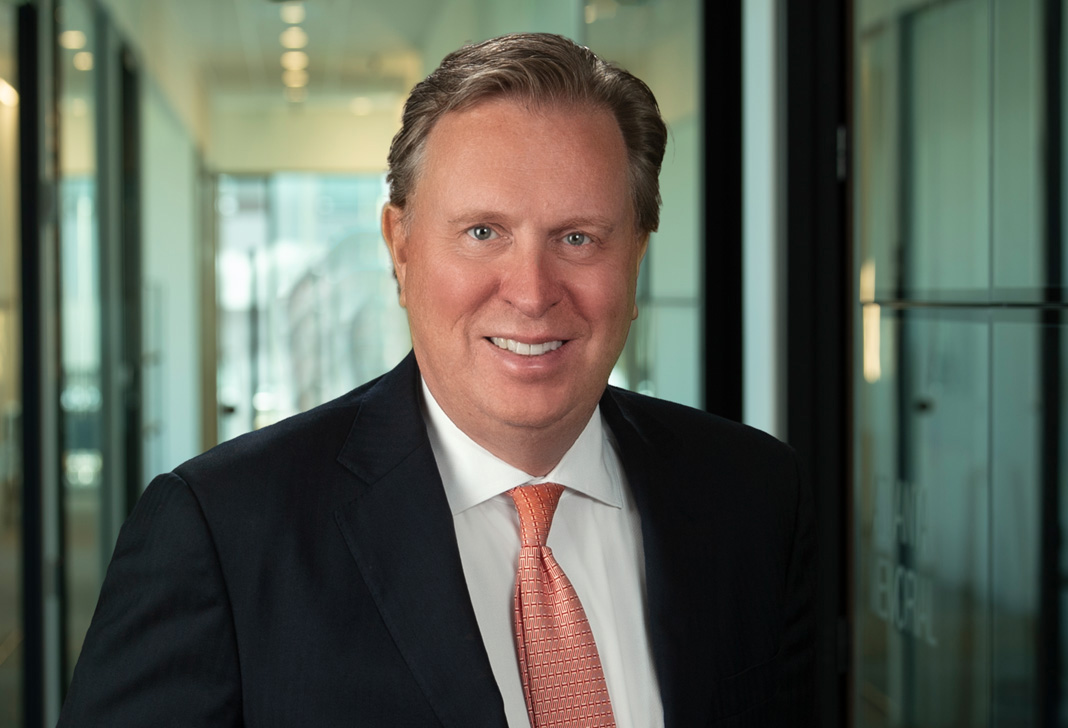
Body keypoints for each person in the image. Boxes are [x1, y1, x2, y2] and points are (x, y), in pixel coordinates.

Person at [58, 32, 815, 727]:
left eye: (579, 237)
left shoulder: (753, 496)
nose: (531, 292)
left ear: (637, 257)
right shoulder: (222, 533)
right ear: (401, 248)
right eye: (483, 232)